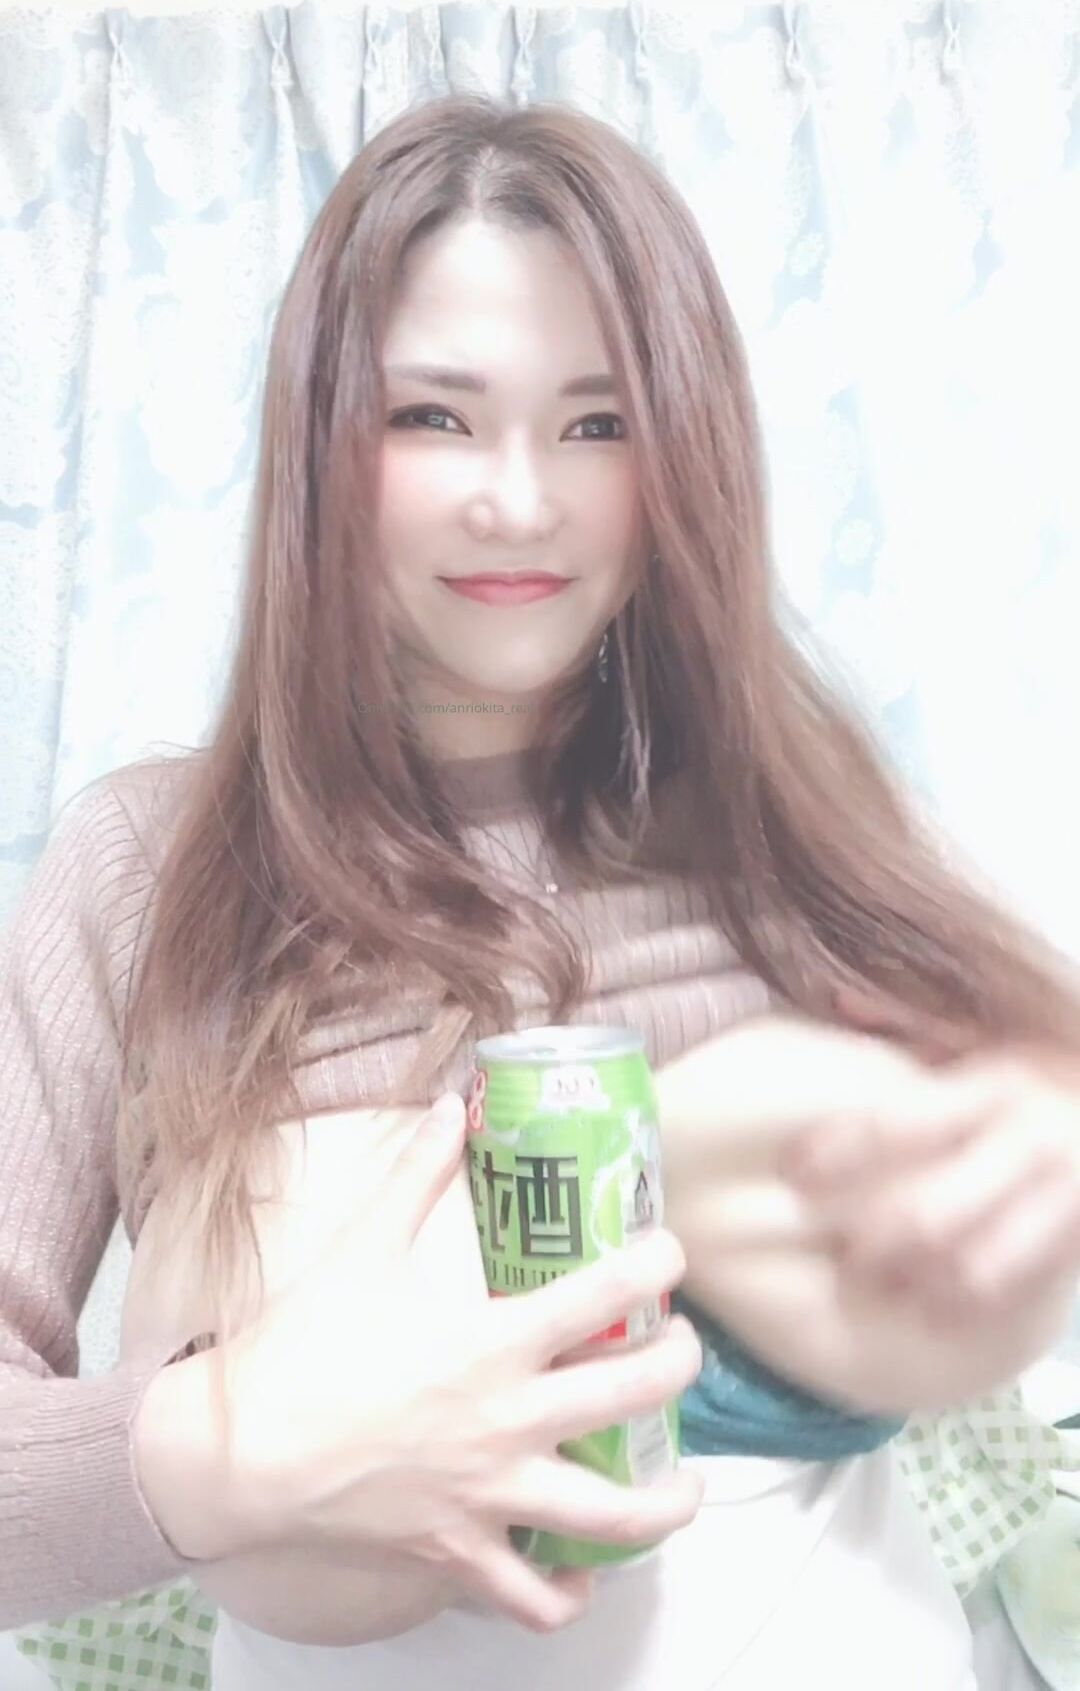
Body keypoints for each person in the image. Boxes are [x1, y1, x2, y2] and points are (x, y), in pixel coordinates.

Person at [3, 90, 1080, 1689]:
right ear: (318, 444)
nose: (519, 500)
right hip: (343, 1618)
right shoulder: (144, 869)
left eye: (598, 424)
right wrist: (218, 1453)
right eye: (433, 418)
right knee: (306, 1201)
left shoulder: (806, 826)